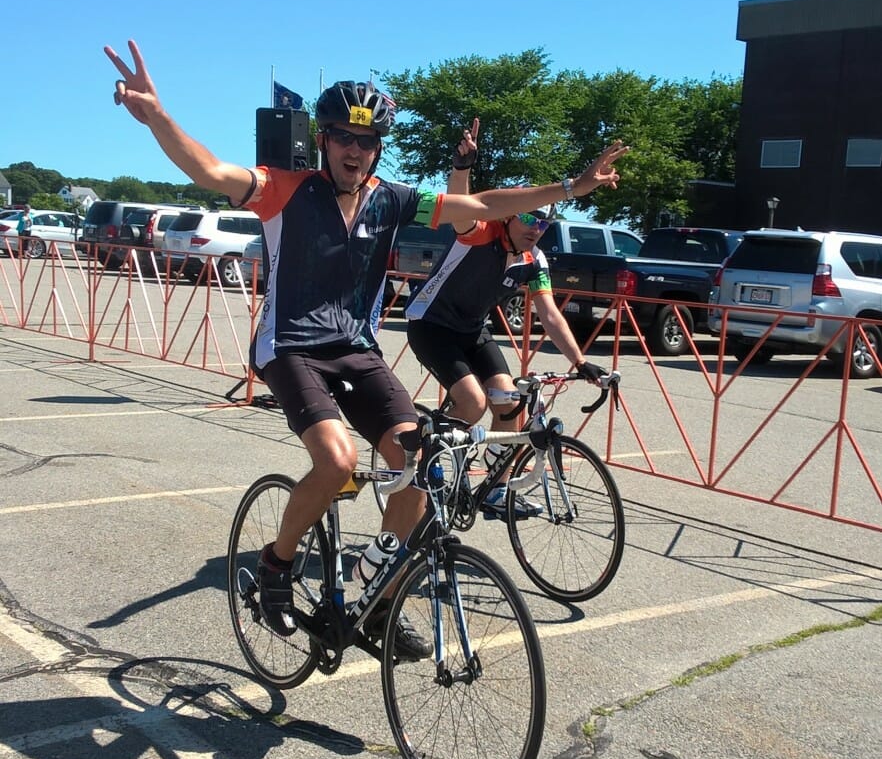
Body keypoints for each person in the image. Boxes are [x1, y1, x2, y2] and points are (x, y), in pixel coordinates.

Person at [105, 39, 622, 655]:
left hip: (355, 349)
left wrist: (570, 186)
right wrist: (158, 117)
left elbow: (482, 203)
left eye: (369, 141)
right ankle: (275, 565)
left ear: (378, 148)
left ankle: (373, 590)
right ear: (323, 140)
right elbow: (212, 172)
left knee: (422, 464)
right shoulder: (284, 189)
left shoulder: (392, 199)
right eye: (345, 139)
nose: (356, 150)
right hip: (290, 347)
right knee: (339, 462)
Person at [405, 119, 628, 517]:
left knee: (508, 403)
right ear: (509, 217)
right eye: (527, 218)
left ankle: (495, 488)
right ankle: (430, 451)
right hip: (431, 324)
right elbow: (460, 203)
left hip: (471, 330)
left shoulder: (533, 260)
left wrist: (579, 361)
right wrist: (462, 167)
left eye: (543, 223)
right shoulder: (478, 233)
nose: (535, 228)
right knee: (472, 403)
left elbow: (550, 314)